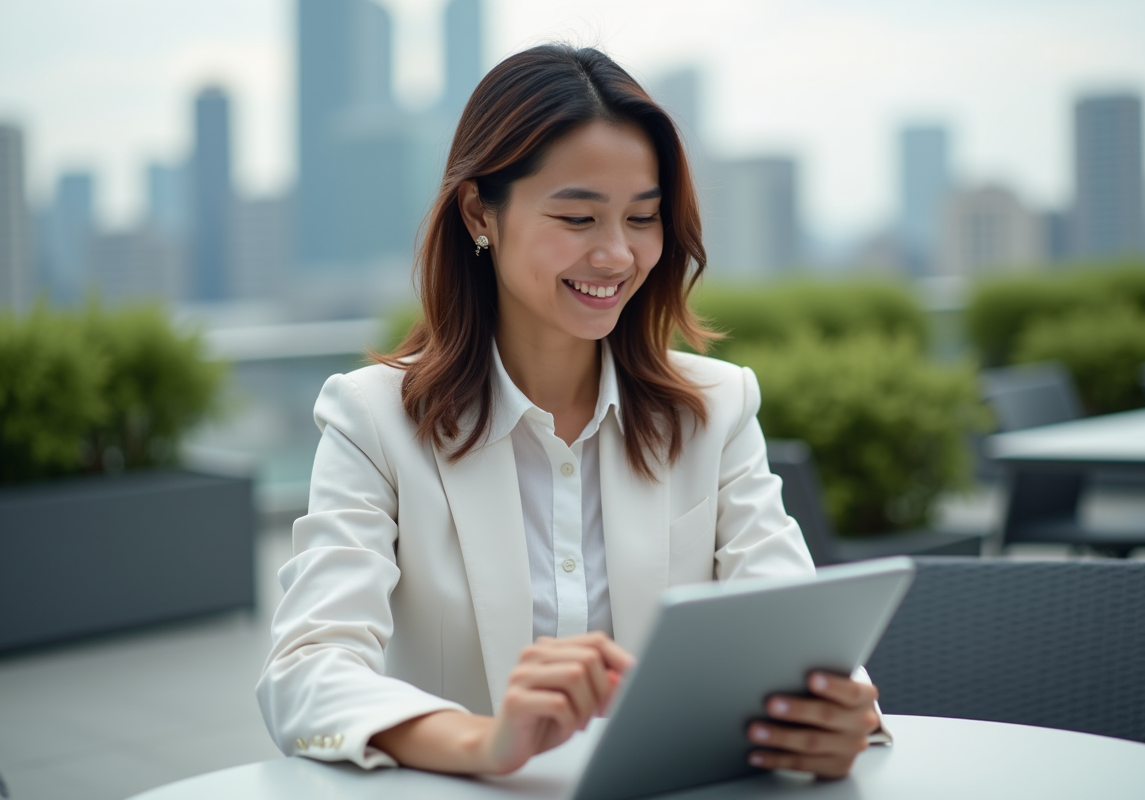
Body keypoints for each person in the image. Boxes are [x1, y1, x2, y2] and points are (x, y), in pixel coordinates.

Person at [257, 43, 884, 781]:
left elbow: (794, 631)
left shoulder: (715, 410)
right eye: (579, 217)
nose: (617, 255)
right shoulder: (375, 423)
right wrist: (484, 743)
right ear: (478, 213)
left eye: (642, 218)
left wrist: (839, 713)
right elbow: (305, 671)